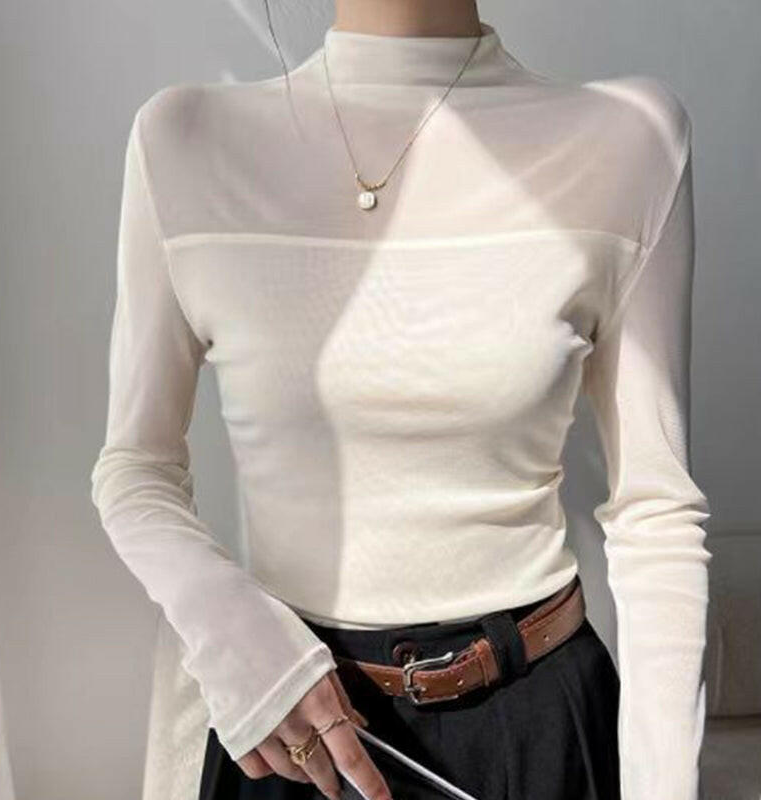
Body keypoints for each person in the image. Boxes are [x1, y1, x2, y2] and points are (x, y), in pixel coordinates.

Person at [89, 1, 712, 799]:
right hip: (297, 724)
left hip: (538, 730)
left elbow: (657, 512)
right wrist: (235, 636)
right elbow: (135, 468)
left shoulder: (630, 139)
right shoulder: (185, 140)